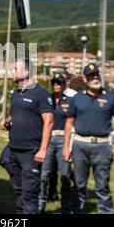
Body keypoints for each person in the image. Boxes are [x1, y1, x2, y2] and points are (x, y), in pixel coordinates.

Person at [63, 64, 114, 214]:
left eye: (96, 74)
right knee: (78, 183)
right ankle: (77, 210)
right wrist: (66, 146)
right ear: (85, 79)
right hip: (79, 145)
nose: (95, 78)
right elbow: (69, 123)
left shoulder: (110, 98)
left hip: (102, 147)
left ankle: (106, 211)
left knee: (102, 184)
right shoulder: (77, 98)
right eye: (91, 75)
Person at [1, 58, 54, 214]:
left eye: (15, 68)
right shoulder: (16, 93)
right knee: (19, 189)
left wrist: (43, 149)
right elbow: (17, 115)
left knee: (30, 194)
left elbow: (49, 122)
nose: (12, 72)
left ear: (26, 71)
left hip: (31, 151)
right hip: (13, 148)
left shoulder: (41, 94)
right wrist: (8, 122)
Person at [38, 74, 76, 214]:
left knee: (65, 175)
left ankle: (66, 208)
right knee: (44, 175)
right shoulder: (46, 99)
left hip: (63, 139)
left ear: (64, 85)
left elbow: (72, 123)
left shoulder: (71, 101)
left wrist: (68, 145)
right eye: (54, 82)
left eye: (59, 83)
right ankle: (40, 206)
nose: (56, 85)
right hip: (47, 139)